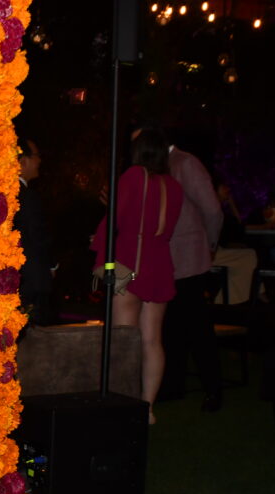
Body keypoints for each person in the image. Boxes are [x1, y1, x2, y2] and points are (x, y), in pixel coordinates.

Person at [92, 128, 184, 425]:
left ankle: (121, 403)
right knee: (152, 340)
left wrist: (101, 261)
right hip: (160, 263)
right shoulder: (174, 185)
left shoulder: (133, 176)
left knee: (122, 340)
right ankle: (147, 407)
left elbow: (114, 222)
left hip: (131, 262)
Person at [163, 132, 224, 411]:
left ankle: (213, 389)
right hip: (167, 258)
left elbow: (212, 209)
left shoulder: (184, 162)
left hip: (188, 257)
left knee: (197, 326)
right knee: (173, 324)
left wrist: (209, 243)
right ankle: (174, 385)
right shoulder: (157, 164)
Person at [14, 136, 54, 325]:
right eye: (36, 156)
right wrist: (53, 265)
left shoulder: (6, 192)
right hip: (31, 280)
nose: (39, 161)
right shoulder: (26, 197)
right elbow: (39, 236)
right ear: (22, 161)